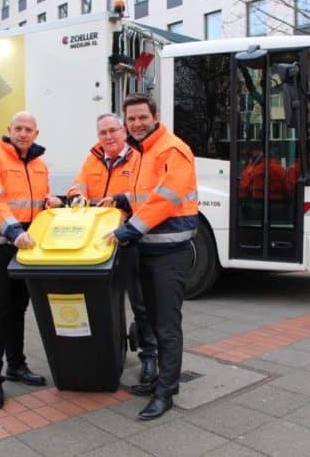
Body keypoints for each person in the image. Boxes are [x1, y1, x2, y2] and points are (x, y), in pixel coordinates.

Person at [105, 94, 198, 420]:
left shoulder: (171, 148)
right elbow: (148, 195)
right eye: (131, 119)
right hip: (151, 249)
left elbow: (167, 199)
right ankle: (160, 379)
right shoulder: (146, 151)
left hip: (169, 252)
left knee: (168, 325)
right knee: (155, 321)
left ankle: (166, 392)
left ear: (155, 116)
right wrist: (122, 198)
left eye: (142, 117)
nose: (136, 124)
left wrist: (127, 231)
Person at [0, 111, 62, 409]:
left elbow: (36, 200)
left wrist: (50, 201)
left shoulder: (39, 164)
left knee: (18, 308)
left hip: (27, 246)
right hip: (0, 244)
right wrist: (13, 232)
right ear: (8, 129)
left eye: (29, 129)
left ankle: (16, 365)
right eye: (18, 128)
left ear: (36, 134)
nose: (23, 133)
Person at [67, 113, 158, 384]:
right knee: (103, 299)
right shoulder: (93, 158)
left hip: (130, 238)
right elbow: (77, 185)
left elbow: (150, 194)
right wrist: (76, 197)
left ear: (124, 131)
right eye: (103, 133)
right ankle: (107, 348)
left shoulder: (139, 157)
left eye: (113, 131)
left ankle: (150, 356)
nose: (108, 137)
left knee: (140, 301)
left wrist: (122, 201)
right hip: (98, 241)